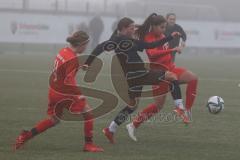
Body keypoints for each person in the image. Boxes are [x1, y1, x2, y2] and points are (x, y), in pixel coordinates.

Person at [84, 17, 188, 144]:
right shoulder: (118, 40)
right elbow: (99, 48)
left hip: (132, 78)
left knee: (132, 106)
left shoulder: (127, 40)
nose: (134, 30)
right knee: (172, 76)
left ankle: (110, 129)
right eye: (131, 28)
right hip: (140, 74)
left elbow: (151, 45)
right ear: (123, 28)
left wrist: (169, 37)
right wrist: (88, 63)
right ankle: (180, 107)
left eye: (134, 27)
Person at [14, 31, 104, 152]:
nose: (86, 47)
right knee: (88, 113)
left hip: (54, 91)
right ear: (81, 44)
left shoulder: (63, 52)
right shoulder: (72, 59)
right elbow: (69, 80)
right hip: (64, 93)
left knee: (54, 120)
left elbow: (64, 69)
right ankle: (89, 145)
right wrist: (79, 94)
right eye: (86, 45)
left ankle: (25, 136)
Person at [126, 13, 198, 141]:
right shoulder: (148, 38)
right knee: (158, 106)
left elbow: (167, 50)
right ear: (153, 27)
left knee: (193, 78)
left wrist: (178, 48)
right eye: (161, 27)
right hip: (159, 75)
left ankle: (186, 110)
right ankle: (133, 125)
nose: (164, 30)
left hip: (171, 69)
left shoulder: (163, 35)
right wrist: (172, 50)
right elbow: (153, 55)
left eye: (165, 27)